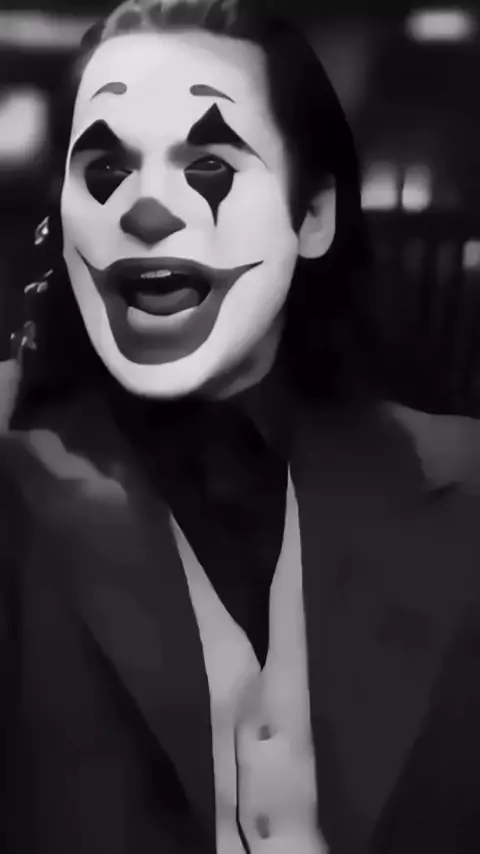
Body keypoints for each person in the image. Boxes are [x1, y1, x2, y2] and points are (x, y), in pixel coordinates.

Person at [2, 1, 480, 852]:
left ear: (313, 216)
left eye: (210, 165)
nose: (147, 211)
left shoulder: (465, 488)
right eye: (105, 170)